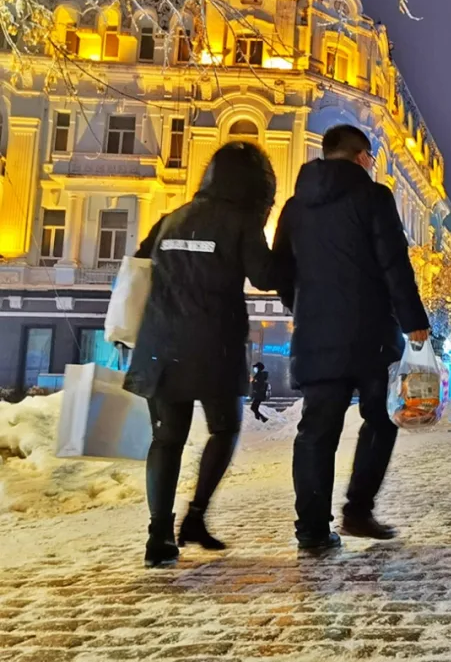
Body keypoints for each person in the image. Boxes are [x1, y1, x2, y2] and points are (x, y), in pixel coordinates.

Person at [273, 125, 430, 552]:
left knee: (316, 430)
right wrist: (413, 320)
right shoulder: (374, 198)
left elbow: (280, 272)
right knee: (380, 419)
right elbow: (393, 264)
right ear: (362, 156)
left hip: (316, 333)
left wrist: (303, 308)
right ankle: (358, 509)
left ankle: (311, 530)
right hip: (370, 335)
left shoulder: (294, 207)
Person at [125, 142, 278, 568]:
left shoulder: (169, 220)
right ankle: (194, 516)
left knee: (166, 439)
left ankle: (159, 535)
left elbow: (138, 267)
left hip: (161, 345)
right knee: (224, 429)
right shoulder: (242, 221)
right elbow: (265, 275)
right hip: (214, 344)